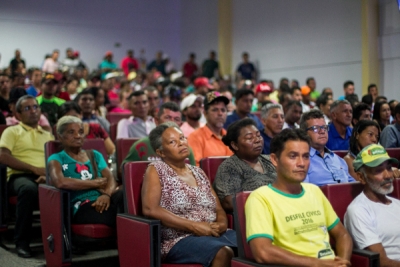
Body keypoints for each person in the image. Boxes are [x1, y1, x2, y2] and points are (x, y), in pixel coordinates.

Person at [245, 129, 353, 265]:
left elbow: (342, 234)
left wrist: (343, 261)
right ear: (274, 159)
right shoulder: (260, 198)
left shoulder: (314, 191)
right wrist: (319, 264)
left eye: (306, 156)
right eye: (293, 156)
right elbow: (263, 252)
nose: (301, 163)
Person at [142, 122, 237, 266]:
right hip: (179, 239)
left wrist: (222, 224)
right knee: (223, 252)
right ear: (161, 152)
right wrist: (194, 226)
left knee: (253, 245)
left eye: (182, 138)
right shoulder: (156, 170)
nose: (181, 143)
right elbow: (150, 209)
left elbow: (217, 208)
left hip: (213, 232)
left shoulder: (198, 171)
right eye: (173, 142)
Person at [48, 116, 123, 236]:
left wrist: (106, 195)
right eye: (71, 132)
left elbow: (110, 179)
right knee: (123, 214)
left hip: (104, 198)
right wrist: (95, 183)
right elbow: (61, 182)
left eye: (81, 132)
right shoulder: (56, 158)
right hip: (81, 206)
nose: (78, 136)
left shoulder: (95, 155)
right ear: (60, 136)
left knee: (126, 196)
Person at [0, 95, 54, 258]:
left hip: (46, 176)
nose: (33, 111)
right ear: (17, 115)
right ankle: (21, 242)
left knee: (65, 187)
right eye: (27, 108)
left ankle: (64, 240)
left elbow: (55, 160)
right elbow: (3, 156)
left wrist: (49, 174)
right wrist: (34, 169)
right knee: (29, 189)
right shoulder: (12, 131)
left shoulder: (47, 134)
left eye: (35, 107)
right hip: (19, 177)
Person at [344, 144, 400, 264]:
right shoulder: (358, 210)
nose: (388, 176)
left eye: (389, 168)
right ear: (361, 177)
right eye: (379, 170)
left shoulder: (397, 204)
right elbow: (382, 262)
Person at [214, 118, 276, 211]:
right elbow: (229, 202)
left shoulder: (270, 160)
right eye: (249, 138)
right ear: (235, 145)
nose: (257, 140)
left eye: (258, 135)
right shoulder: (229, 167)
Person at [123, 102, 196, 164]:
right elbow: (124, 172)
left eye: (176, 119)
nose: (172, 122)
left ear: (180, 124)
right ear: (156, 121)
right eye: (167, 117)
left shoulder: (186, 149)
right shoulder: (141, 145)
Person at [300, 109, 355, 186]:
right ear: (304, 133)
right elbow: (305, 192)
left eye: (324, 127)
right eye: (315, 128)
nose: (322, 131)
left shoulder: (339, 160)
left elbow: (354, 186)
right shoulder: (302, 161)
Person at [188, 91, 233, 166]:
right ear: (205, 113)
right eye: (215, 110)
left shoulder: (231, 137)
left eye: (223, 110)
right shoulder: (195, 137)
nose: (220, 113)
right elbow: (196, 169)